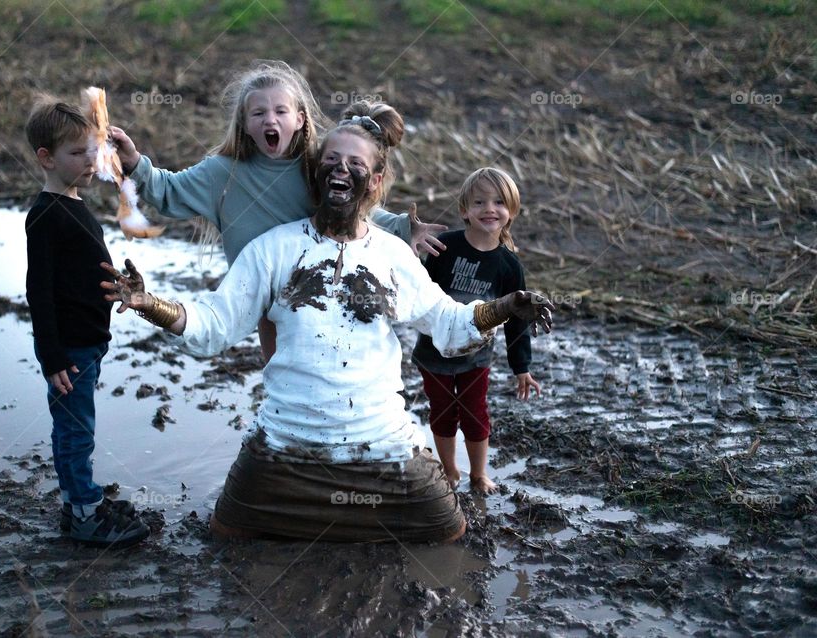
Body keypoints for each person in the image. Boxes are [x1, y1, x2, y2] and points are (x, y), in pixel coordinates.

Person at [102, 101, 554, 543]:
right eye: (331, 160)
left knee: (447, 528)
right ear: (316, 175)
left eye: (355, 163)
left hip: (383, 451)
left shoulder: (393, 255)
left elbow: (450, 325)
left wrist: (507, 306)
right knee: (227, 532)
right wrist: (149, 304)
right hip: (284, 452)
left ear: (375, 182)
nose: (341, 168)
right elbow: (215, 323)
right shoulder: (272, 249)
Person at [107, 60, 446, 361]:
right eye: (259, 113)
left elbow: (354, 213)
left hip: (320, 286)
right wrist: (134, 161)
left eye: (281, 112)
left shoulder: (315, 166)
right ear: (245, 122)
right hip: (266, 297)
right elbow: (166, 192)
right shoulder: (222, 174)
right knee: (282, 374)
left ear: (299, 119)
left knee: (330, 366)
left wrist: (404, 228)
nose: (271, 119)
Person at [24, 95, 149, 547]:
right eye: (76, 154)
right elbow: (40, 291)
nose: (88, 160)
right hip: (70, 350)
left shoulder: (74, 204)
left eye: (90, 151)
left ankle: (79, 502)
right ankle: (84, 515)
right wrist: (51, 355)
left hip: (89, 342)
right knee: (75, 431)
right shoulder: (45, 215)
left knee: (77, 427)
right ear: (46, 158)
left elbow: (81, 270)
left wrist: (119, 283)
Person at [412, 167, 539, 494]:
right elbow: (422, 294)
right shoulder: (444, 246)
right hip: (434, 351)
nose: (489, 209)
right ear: (464, 210)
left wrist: (521, 367)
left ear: (511, 212)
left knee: (474, 413)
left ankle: (478, 474)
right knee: (442, 411)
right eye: (479, 201)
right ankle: (450, 471)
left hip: (477, 356)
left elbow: (517, 318)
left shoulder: (509, 265)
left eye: (499, 202)